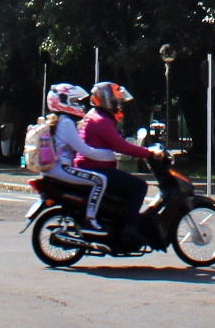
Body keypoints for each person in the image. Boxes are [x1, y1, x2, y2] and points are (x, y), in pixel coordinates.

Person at [79, 82, 156, 243]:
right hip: (96, 169)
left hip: (92, 166)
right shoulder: (101, 120)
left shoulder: (94, 116)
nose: (119, 105)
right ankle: (129, 229)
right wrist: (148, 153)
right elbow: (120, 146)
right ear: (108, 100)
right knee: (139, 186)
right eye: (117, 101)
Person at [39, 83, 106, 226]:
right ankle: (91, 218)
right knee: (100, 181)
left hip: (52, 169)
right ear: (64, 101)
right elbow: (84, 150)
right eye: (75, 101)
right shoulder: (66, 123)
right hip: (61, 168)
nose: (78, 105)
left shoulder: (55, 120)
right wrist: (108, 155)